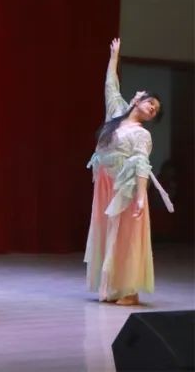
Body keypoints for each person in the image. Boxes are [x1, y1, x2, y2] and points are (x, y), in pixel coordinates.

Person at [84, 37, 172, 305]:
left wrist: (142, 198)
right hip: (106, 184)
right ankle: (113, 287)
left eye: (155, 111)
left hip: (126, 188)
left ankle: (130, 290)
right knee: (108, 234)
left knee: (125, 237)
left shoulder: (142, 135)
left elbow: (142, 165)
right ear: (138, 99)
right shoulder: (116, 114)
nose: (152, 109)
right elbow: (111, 86)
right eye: (151, 103)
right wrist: (114, 58)